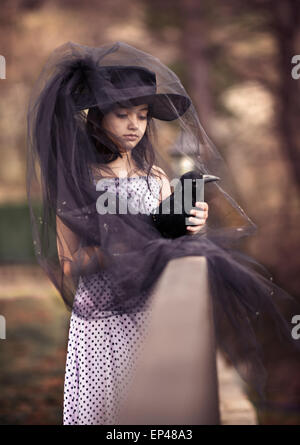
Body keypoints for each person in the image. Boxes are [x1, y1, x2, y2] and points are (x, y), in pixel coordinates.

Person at [26, 41, 300, 425]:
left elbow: (174, 240)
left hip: (155, 308)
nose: (135, 125)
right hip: (103, 321)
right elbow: (71, 265)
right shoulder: (81, 183)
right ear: (97, 118)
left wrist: (192, 222)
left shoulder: (155, 179)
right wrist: (126, 246)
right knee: (109, 412)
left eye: (142, 115)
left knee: (157, 405)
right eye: (122, 114)